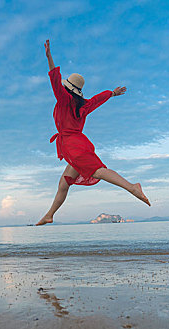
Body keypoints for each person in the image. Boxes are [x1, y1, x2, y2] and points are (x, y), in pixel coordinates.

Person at [36, 39, 150, 226]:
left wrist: (49, 57)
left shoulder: (64, 99)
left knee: (97, 171)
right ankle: (49, 214)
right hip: (76, 143)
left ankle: (132, 187)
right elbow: (97, 99)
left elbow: (54, 79)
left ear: (67, 88)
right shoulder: (83, 105)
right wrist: (112, 93)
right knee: (64, 184)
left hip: (73, 145)